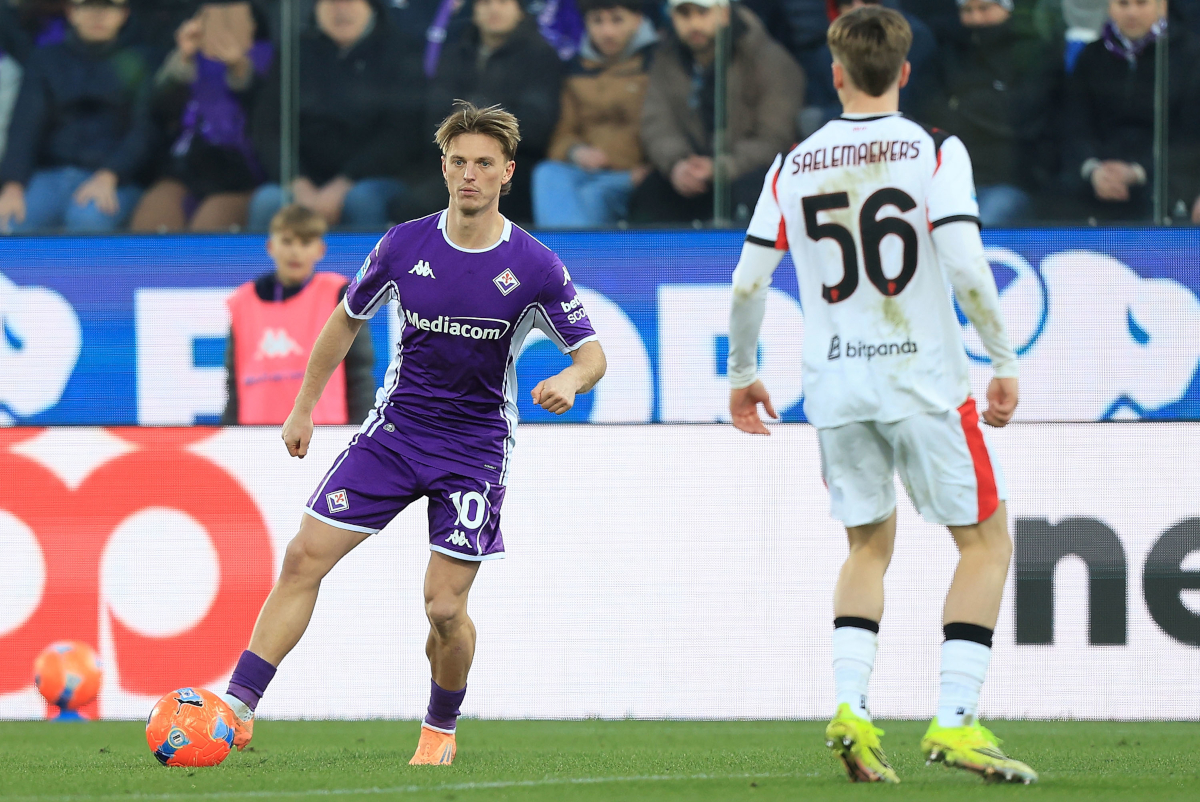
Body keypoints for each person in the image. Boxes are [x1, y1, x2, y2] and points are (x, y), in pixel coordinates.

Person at [213, 102, 606, 766]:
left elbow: (592, 354)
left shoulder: (535, 266)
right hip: (395, 435)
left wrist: (571, 379)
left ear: (507, 172)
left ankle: (439, 728)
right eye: (459, 162)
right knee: (304, 557)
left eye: (484, 163)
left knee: (444, 609)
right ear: (444, 168)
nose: (470, 174)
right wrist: (304, 407)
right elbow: (345, 319)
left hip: (474, 450)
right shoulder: (403, 245)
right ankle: (239, 709)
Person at [727, 7, 1036, 784]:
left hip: (837, 386)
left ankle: (851, 710)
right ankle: (955, 722)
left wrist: (741, 373)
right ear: (905, 71)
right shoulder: (935, 151)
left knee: (867, 547)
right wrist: (1002, 358)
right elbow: (965, 263)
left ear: (835, 75)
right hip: (924, 381)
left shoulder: (793, 164)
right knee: (986, 544)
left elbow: (748, 282)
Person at [248, 0, 423, 230]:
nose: (341, 10)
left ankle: (373, 257)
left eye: (349, 2)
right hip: (302, 181)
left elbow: (401, 133)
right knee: (267, 202)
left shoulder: (401, 52)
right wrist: (297, 182)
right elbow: (268, 127)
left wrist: (345, 183)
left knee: (362, 200)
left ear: (370, 6)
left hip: (374, 177)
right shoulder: (295, 53)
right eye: (331, 2)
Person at [630, 0, 803, 224]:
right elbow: (657, 124)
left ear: (725, 14)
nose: (694, 24)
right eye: (684, 14)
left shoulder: (769, 59)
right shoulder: (665, 59)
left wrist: (721, 168)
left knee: (750, 192)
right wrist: (677, 164)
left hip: (746, 170)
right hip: (690, 170)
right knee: (648, 194)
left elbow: (776, 137)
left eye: (702, 13)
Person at [0, 0, 152, 233]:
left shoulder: (144, 61)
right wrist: (13, 185)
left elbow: (147, 129)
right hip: (50, 176)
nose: (98, 15)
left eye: (108, 6)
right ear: (71, 12)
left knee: (87, 220)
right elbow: (25, 127)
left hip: (118, 179)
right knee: (10, 221)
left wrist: (110, 175)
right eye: (88, 5)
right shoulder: (45, 60)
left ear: (124, 14)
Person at [222, 204, 376, 426]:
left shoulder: (340, 294)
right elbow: (234, 380)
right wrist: (229, 430)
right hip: (254, 436)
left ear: (320, 250)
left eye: (305, 243)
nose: (295, 252)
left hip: (324, 433)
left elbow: (358, 372)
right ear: (270, 246)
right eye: (287, 242)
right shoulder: (242, 302)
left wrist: (360, 428)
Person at [131, 2, 273, 232]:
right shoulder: (185, 57)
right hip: (187, 164)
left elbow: (269, 114)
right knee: (153, 221)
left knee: (210, 225)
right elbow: (156, 112)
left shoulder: (271, 58)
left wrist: (238, 66)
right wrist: (183, 58)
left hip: (245, 171)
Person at [426, 0, 564, 223]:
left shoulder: (541, 56)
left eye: (503, 2)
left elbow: (536, 125)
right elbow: (434, 117)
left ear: (520, 11)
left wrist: (475, 118)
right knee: (416, 202)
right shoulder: (455, 52)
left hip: (518, 165)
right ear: (474, 10)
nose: (494, 9)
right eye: (485, 2)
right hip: (453, 161)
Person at [1062, 0, 1200, 222]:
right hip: (1098, 178)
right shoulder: (1092, 55)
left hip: (1165, 181)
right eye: (1123, 4)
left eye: (1141, 3)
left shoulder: (1190, 55)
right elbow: (1074, 124)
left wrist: (1137, 171)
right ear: (1109, 7)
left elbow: (1190, 138)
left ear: (1162, 6)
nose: (1132, 12)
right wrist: (1093, 169)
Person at [925, 0, 1061, 225]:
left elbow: (1022, 116)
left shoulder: (1032, 52)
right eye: (967, 10)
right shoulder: (946, 52)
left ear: (1007, 9)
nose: (976, 18)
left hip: (1010, 181)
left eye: (985, 8)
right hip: (948, 181)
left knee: (979, 228)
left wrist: (960, 104)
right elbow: (930, 113)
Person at [532, 0, 657, 227]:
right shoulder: (574, 69)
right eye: (597, 21)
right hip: (584, 170)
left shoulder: (658, 63)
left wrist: (655, 168)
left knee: (592, 196)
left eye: (617, 20)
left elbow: (668, 125)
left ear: (637, 20)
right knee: (547, 173)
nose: (607, 31)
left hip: (635, 174)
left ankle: (564, 251)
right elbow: (562, 132)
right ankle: (569, 250)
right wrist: (576, 152)